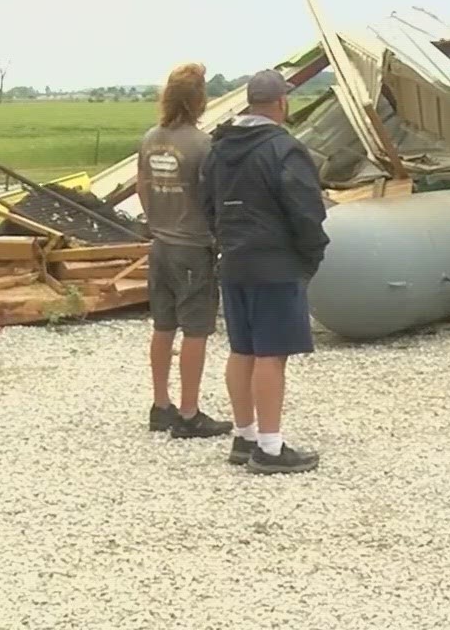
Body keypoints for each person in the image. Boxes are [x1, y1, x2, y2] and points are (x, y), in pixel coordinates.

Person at [198, 68, 328, 475]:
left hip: (234, 261)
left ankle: (245, 435)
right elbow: (306, 209)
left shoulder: (218, 148)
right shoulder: (283, 149)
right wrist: (311, 255)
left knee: (242, 350)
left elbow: (206, 204)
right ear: (281, 104)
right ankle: (270, 449)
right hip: (276, 262)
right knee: (272, 354)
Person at [138, 61, 233, 440]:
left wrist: (156, 220)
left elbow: (143, 186)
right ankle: (190, 412)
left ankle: (161, 405)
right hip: (193, 246)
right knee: (196, 329)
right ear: (199, 100)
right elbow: (214, 196)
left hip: (160, 244)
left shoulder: (151, 138)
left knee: (163, 326)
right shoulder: (202, 145)